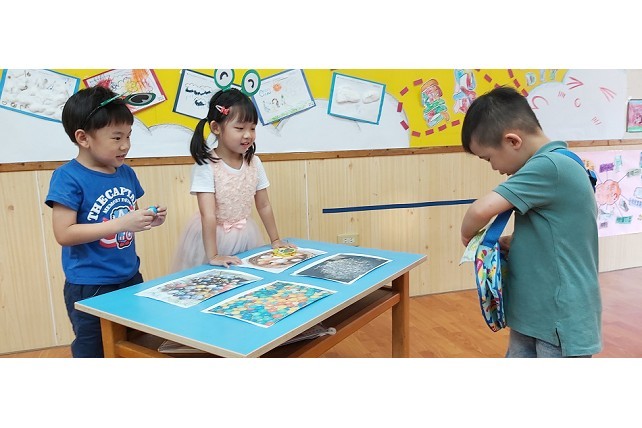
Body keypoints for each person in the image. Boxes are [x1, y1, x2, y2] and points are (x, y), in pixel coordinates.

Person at [460, 86, 602, 358]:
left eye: (489, 158)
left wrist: (468, 237)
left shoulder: (549, 166)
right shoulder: (557, 163)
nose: (493, 167)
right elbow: (559, 233)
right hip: (536, 312)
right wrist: (516, 242)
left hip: (559, 317)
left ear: (513, 141)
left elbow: (479, 211)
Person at [45, 85, 167, 358]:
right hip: (91, 284)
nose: (126, 145)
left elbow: (129, 215)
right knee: (95, 350)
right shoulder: (68, 177)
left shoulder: (125, 173)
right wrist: (122, 223)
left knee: (134, 344)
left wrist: (150, 218)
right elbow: (64, 234)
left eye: (129, 136)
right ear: (83, 138)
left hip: (130, 276)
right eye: (116, 137)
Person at [171, 88, 294, 272]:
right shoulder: (206, 165)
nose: (248, 135)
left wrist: (275, 239)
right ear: (216, 128)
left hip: (245, 234)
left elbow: (264, 205)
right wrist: (213, 255)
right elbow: (208, 215)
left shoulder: (254, 162)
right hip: (212, 239)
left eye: (252, 128)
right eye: (240, 128)